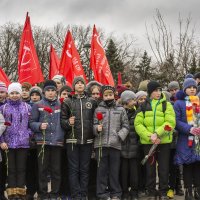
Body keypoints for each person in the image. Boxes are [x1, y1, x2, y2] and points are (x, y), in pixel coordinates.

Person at [134, 81, 176, 200]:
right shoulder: (143, 105)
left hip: (163, 142)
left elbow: (170, 123)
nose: (158, 93)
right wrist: (149, 136)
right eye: (155, 90)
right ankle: (151, 192)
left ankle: (163, 191)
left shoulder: (166, 105)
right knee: (150, 169)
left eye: (159, 90)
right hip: (148, 143)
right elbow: (138, 124)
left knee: (163, 168)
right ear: (150, 92)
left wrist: (157, 134)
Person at [61, 76, 97, 200]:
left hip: (87, 141)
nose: (80, 84)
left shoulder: (91, 101)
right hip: (72, 141)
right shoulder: (67, 101)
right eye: (78, 83)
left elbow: (95, 119)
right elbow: (62, 121)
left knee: (85, 169)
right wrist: (68, 123)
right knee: (73, 169)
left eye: (82, 83)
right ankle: (76, 195)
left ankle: (83, 194)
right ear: (74, 86)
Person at [29, 80, 64, 200]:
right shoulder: (37, 105)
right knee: (42, 170)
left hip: (56, 142)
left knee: (56, 170)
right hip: (42, 142)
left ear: (56, 91)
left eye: (52, 90)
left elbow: (64, 122)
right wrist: (39, 126)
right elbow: (31, 123)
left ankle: (54, 193)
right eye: (48, 90)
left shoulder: (61, 104)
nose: (50, 93)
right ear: (44, 91)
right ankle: (43, 194)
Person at [93, 85, 129, 200]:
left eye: (110, 95)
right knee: (101, 171)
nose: (108, 97)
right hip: (100, 144)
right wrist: (96, 129)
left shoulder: (120, 109)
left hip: (115, 145)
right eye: (106, 95)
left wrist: (119, 136)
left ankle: (115, 193)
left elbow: (126, 126)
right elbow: (93, 125)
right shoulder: (98, 109)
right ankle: (102, 193)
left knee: (114, 171)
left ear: (114, 95)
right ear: (102, 96)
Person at [0, 82, 32, 200]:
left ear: (20, 94)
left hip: (23, 143)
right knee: (11, 169)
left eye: (17, 93)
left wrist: (27, 134)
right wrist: (2, 141)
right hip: (8, 144)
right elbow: (1, 127)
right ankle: (12, 193)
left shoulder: (27, 107)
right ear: (8, 94)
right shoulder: (3, 108)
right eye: (12, 93)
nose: (14, 95)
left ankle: (21, 192)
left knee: (21, 168)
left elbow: (30, 124)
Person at [174, 78, 200, 200]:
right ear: (185, 89)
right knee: (187, 165)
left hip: (198, 140)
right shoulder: (179, 103)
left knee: (198, 165)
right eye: (189, 87)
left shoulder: (199, 101)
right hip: (185, 139)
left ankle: (197, 190)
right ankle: (188, 191)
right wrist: (189, 129)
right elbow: (176, 121)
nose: (192, 89)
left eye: (194, 87)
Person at [120, 91, 139, 200]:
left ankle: (134, 192)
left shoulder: (136, 113)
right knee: (123, 172)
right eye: (132, 100)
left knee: (134, 172)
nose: (135, 102)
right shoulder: (119, 112)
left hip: (133, 147)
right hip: (122, 147)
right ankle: (124, 192)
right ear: (126, 101)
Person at [167, 81, 184, 199]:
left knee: (178, 164)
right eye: (171, 90)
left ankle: (178, 186)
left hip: (179, 138)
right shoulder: (168, 103)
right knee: (170, 165)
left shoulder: (180, 102)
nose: (174, 92)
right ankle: (171, 186)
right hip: (169, 139)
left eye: (175, 89)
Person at [26, 86, 43, 200]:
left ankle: (41, 190)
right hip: (27, 143)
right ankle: (30, 191)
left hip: (40, 140)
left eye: (37, 95)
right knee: (29, 168)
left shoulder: (42, 106)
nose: (35, 97)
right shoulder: (26, 107)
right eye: (32, 95)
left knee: (40, 168)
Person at [0, 82, 8, 200]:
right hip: (1, 140)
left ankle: (2, 192)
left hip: (8, 141)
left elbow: (3, 124)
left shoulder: (8, 105)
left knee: (3, 169)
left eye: (1, 92)